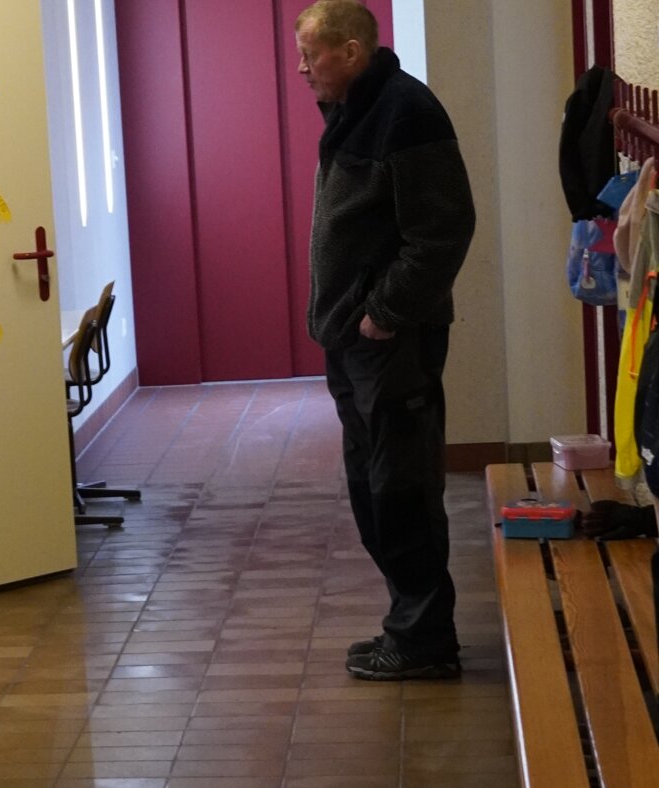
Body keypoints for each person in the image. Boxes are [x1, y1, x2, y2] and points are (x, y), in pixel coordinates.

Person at [294, 0, 475, 681]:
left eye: (310, 54)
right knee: (372, 490)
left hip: (392, 340)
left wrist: (384, 312)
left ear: (350, 51)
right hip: (355, 340)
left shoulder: (406, 112)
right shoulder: (355, 111)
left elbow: (443, 231)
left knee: (402, 491)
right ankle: (408, 625)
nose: (301, 68)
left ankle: (424, 641)